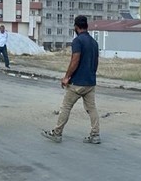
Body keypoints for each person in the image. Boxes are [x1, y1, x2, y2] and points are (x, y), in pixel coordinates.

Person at [43, 15, 101, 144]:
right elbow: (96, 62)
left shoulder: (77, 41)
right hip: (90, 82)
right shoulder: (94, 42)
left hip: (77, 83)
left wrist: (67, 77)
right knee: (92, 109)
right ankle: (95, 135)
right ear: (86, 26)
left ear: (76, 26)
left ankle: (57, 133)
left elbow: (75, 60)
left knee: (66, 107)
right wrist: (91, 75)